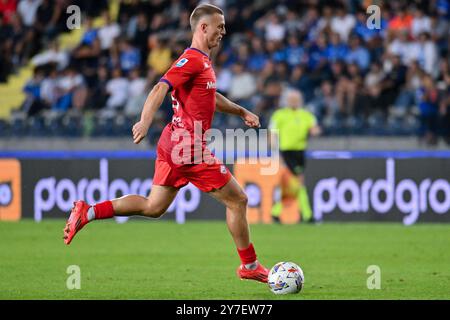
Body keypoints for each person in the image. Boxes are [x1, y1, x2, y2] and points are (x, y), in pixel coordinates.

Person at [63, 4, 269, 283]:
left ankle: (87, 211)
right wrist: (144, 122)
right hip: (188, 147)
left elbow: (211, 97)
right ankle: (249, 265)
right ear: (203, 27)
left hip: (173, 142)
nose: (223, 31)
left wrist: (241, 111)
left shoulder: (203, 62)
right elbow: (160, 87)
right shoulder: (192, 59)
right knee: (238, 200)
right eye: (219, 27)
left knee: (153, 207)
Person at [269, 89, 321, 223]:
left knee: (291, 183)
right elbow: (272, 133)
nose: (293, 101)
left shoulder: (306, 115)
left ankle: (276, 211)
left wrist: (315, 130)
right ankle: (307, 214)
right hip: (286, 152)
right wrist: (274, 149)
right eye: (291, 99)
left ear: (300, 101)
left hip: (300, 152)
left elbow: (315, 128)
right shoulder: (279, 115)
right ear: (287, 100)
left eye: (296, 99)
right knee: (297, 181)